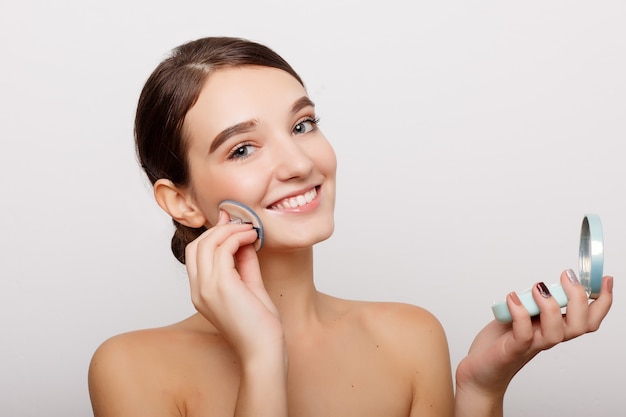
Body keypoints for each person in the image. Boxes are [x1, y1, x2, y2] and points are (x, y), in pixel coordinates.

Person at [87, 36, 613, 417]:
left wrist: (480, 390)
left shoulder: (411, 337)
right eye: (243, 148)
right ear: (180, 202)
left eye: (303, 125)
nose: (297, 162)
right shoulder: (130, 369)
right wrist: (262, 356)